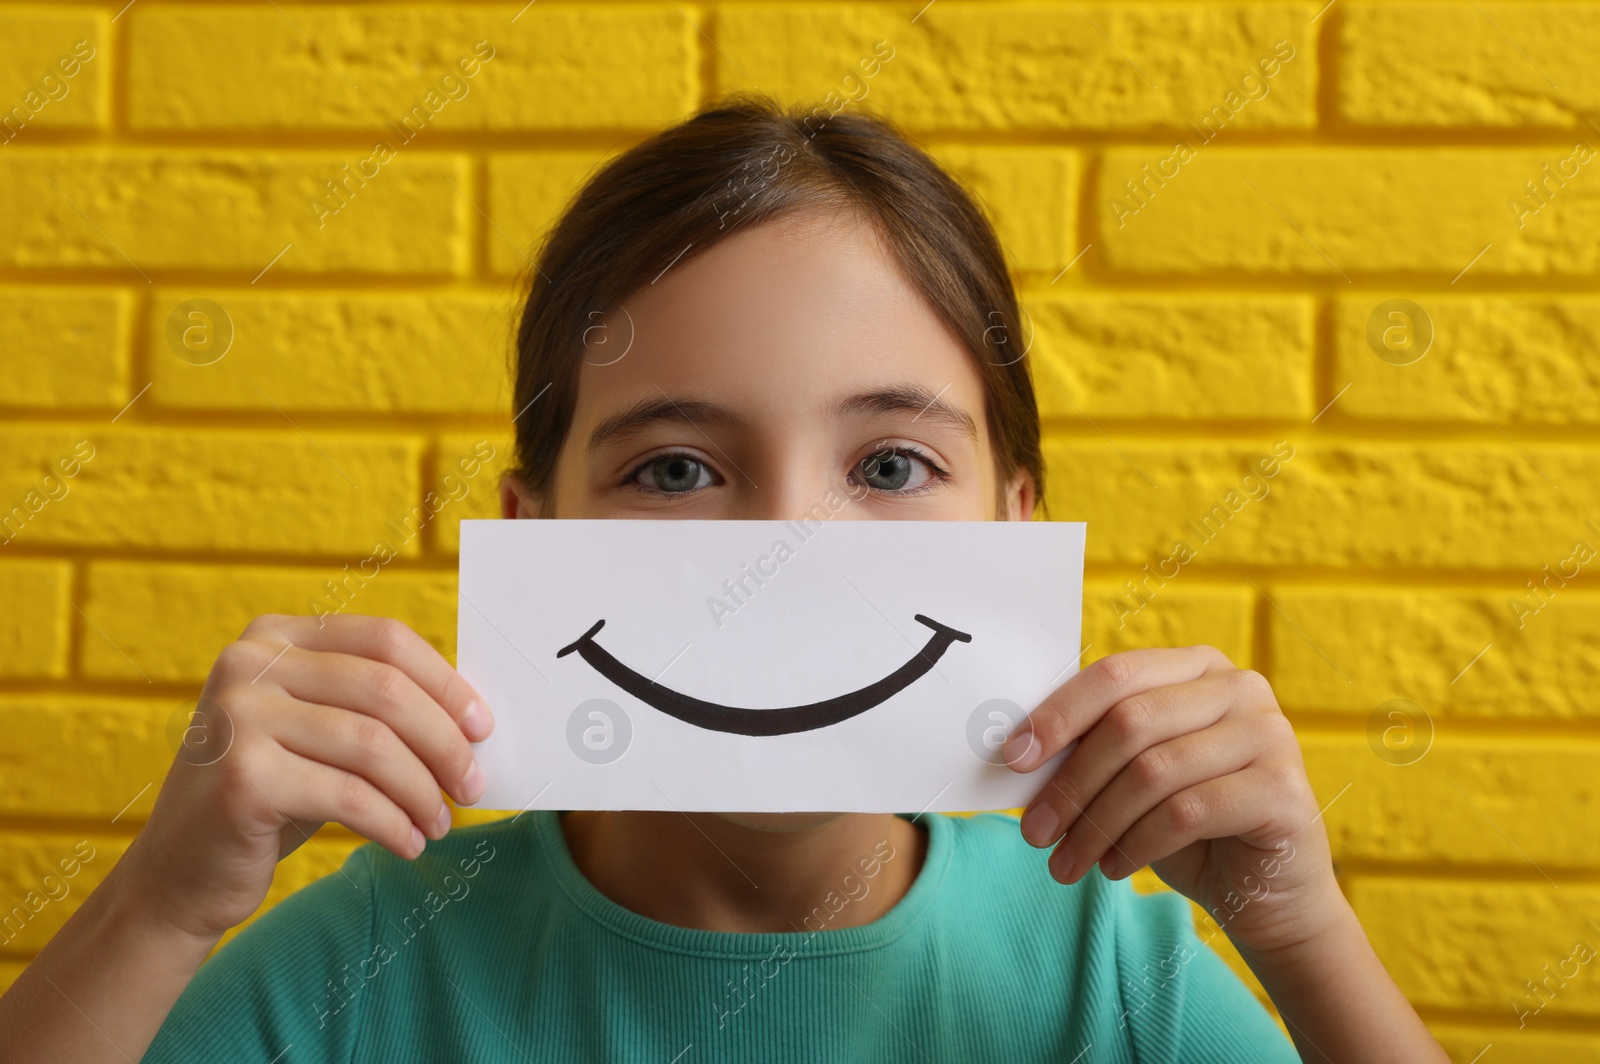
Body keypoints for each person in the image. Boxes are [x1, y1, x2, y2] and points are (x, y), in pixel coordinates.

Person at [0, 94, 1446, 1063]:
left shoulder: (1111, 978)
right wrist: (155, 911)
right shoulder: (360, 968)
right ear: (533, 533)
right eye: (676, 469)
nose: (787, 558)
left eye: (888, 467)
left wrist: (1305, 934)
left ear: (1015, 523)